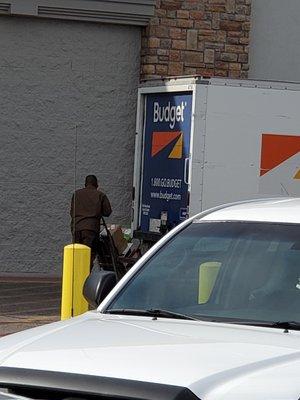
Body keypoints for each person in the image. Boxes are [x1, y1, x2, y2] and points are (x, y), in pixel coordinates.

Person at [70, 175, 112, 268]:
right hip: (91, 229)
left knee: (77, 255)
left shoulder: (76, 194)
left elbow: (71, 212)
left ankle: (76, 276)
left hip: (76, 228)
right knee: (89, 255)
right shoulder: (100, 195)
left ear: (85, 184)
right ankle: (86, 277)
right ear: (96, 184)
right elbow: (107, 212)